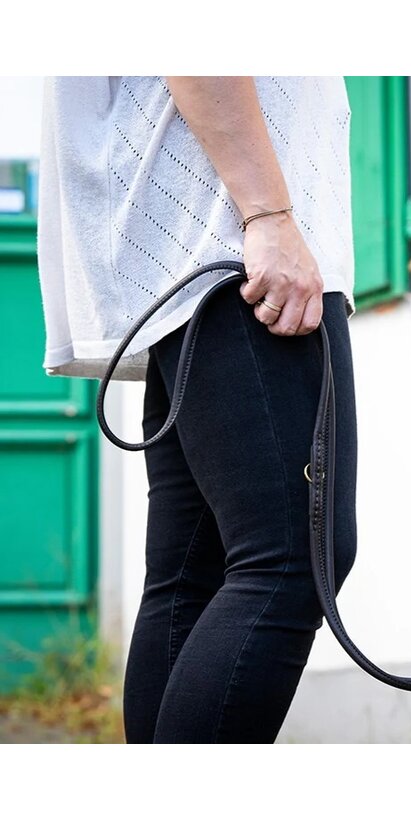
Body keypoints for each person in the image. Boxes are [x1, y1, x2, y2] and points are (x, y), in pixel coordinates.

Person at [36, 76, 359, 742]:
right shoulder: (251, 225)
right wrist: (266, 215)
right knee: (291, 557)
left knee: (194, 573)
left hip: (200, 238)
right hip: (228, 235)